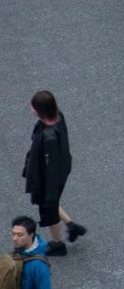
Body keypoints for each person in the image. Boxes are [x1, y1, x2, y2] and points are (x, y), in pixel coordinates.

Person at [20, 93, 81, 257]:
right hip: (62, 168)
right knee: (49, 202)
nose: (31, 108)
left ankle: (57, 244)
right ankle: (71, 225)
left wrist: (50, 195)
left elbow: (51, 169)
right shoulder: (58, 117)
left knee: (49, 208)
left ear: (40, 111)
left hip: (49, 178)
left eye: (33, 106)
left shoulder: (49, 137)